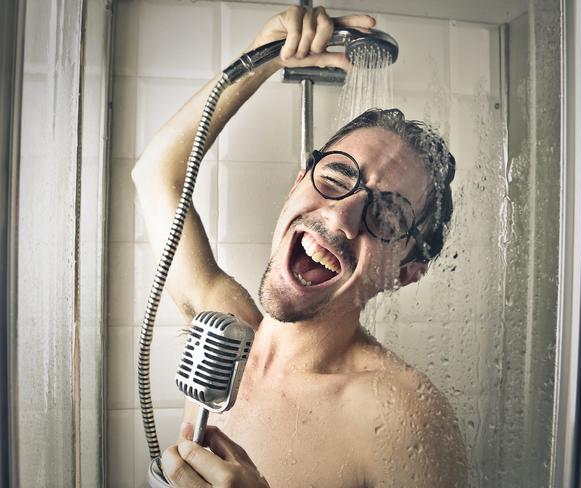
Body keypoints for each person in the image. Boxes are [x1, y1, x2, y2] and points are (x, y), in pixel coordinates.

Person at [132, 6, 468, 487]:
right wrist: (262, 58)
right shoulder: (222, 330)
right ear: (296, 185)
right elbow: (155, 173)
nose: (339, 216)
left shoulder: (404, 419)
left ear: (406, 272)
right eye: (334, 176)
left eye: (387, 216)